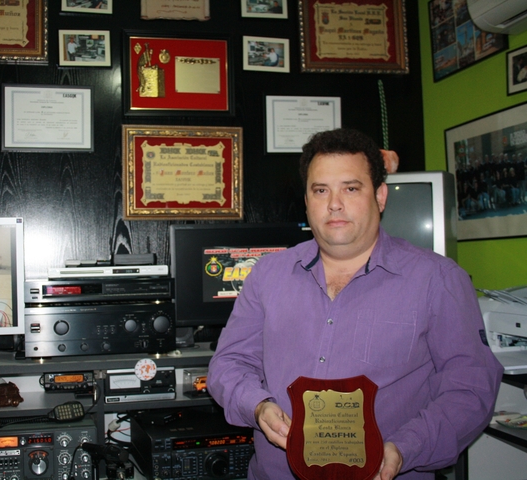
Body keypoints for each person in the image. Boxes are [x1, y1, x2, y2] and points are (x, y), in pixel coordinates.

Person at [207, 128, 503, 480]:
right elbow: (228, 364)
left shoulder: (438, 279)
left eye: (350, 188)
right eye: (321, 190)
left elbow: (470, 389)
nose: (334, 203)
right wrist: (257, 406)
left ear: (380, 196)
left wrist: (404, 448)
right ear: (307, 201)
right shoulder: (267, 275)